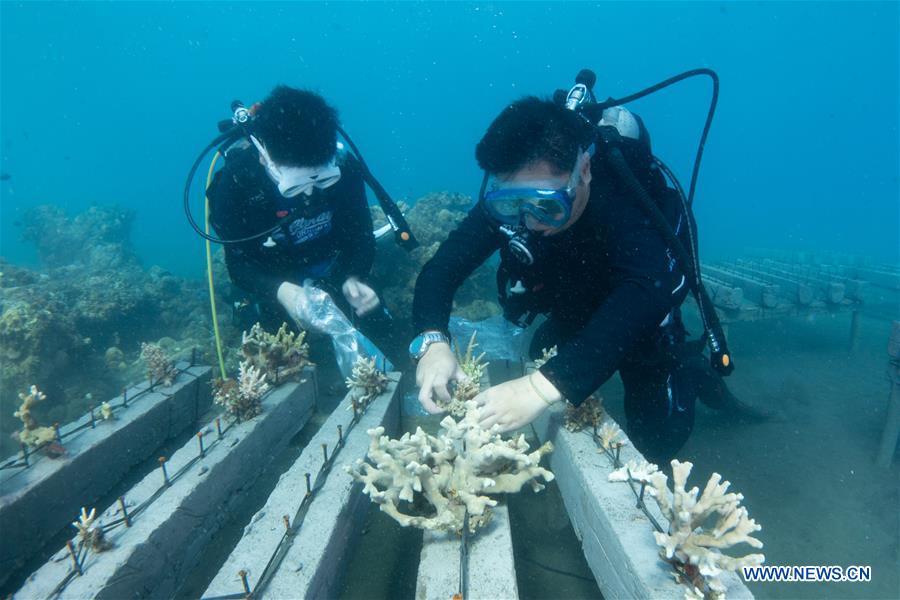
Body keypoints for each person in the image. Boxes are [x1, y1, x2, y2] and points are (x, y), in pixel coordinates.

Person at [410, 96, 729, 464]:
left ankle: (691, 371)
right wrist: (433, 342)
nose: (530, 220)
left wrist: (542, 386)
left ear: (585, 171)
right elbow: (441, 270)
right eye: (513, 205)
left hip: (640, 324)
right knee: (540, 351)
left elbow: (647, 293)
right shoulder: (512, 200)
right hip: (574, 310)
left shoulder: (628, 202)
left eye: (547, 204)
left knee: (657, 439)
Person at [207, 85, 406, 369]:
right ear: (264, 156)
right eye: (296, 185)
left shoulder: (345, 168)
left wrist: (354, 275)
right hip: (277, 276)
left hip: (335, 267)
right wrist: (282, 291)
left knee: (385, 333)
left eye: (322, 180)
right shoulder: (237, 184)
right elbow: (239, 266)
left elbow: (361, 235)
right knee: (275, 359)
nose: (309, 194)